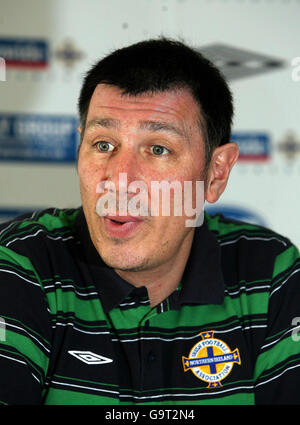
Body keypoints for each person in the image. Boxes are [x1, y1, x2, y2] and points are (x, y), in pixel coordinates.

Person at [0, 38, 299, 406]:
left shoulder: (269, 273)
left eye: (158, 149)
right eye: (103, 144)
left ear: (216, 174)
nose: (120, 179)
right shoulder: (21, 263)